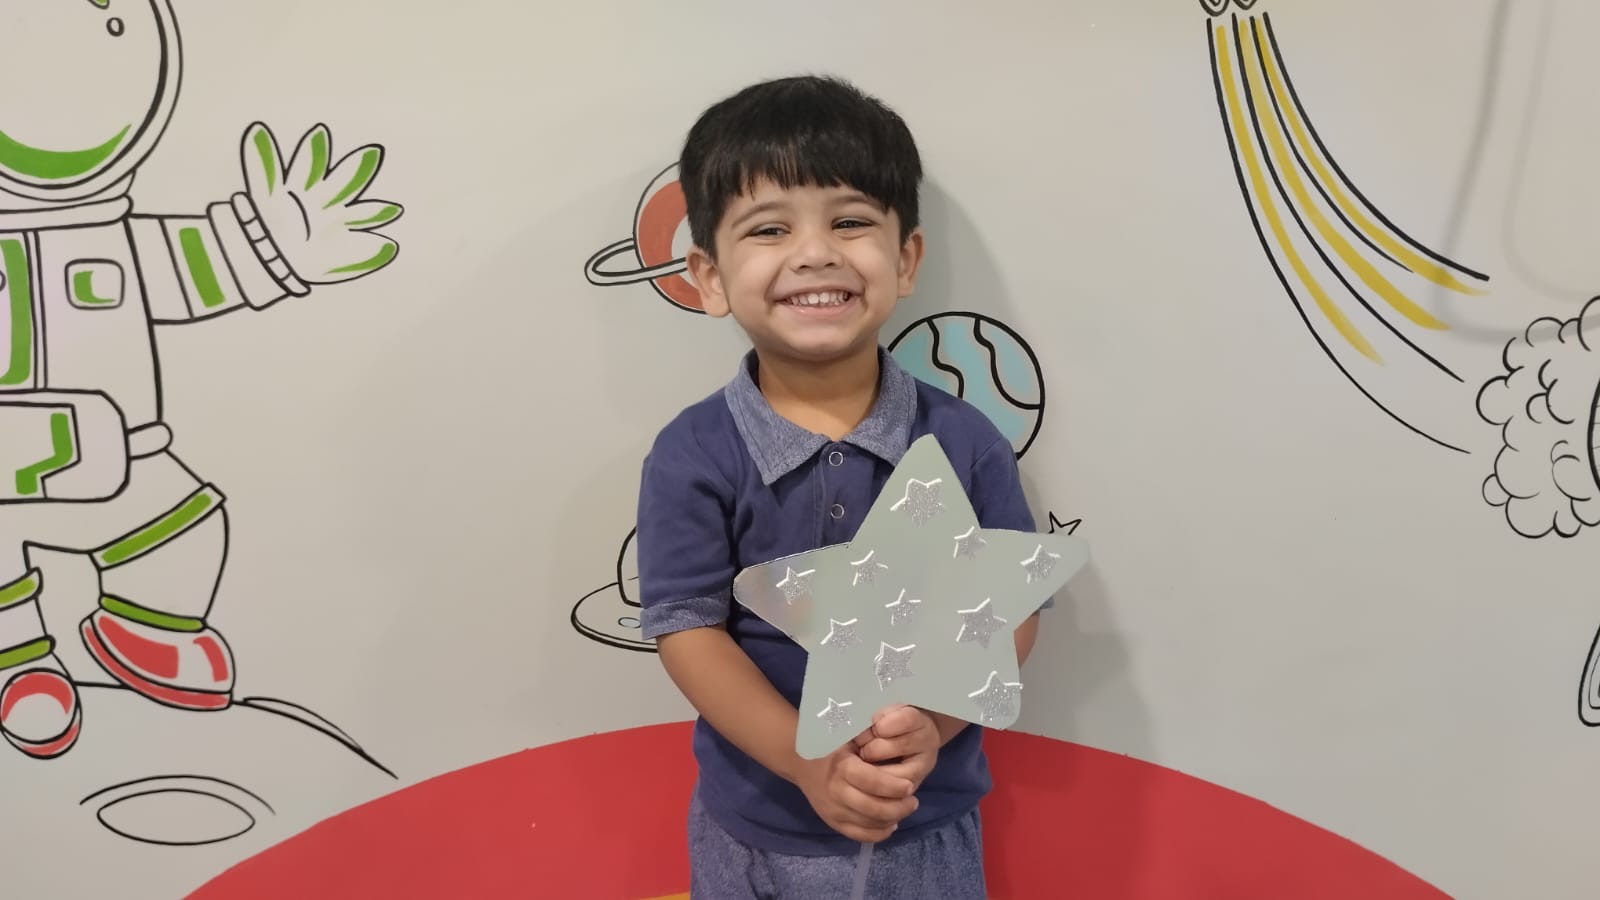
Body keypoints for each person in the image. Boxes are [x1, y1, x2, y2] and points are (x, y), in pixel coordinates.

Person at [634, 73, 1048, 898]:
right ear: (709, 277)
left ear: (906, 259)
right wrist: (805, 757)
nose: (815, 252)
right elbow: (688, 630)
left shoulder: (963, 442)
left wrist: (934, 724)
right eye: (769, 228)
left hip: (922, 828)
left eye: (850, 221)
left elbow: (1014, 611)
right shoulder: (692, 454)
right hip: (755, 831)